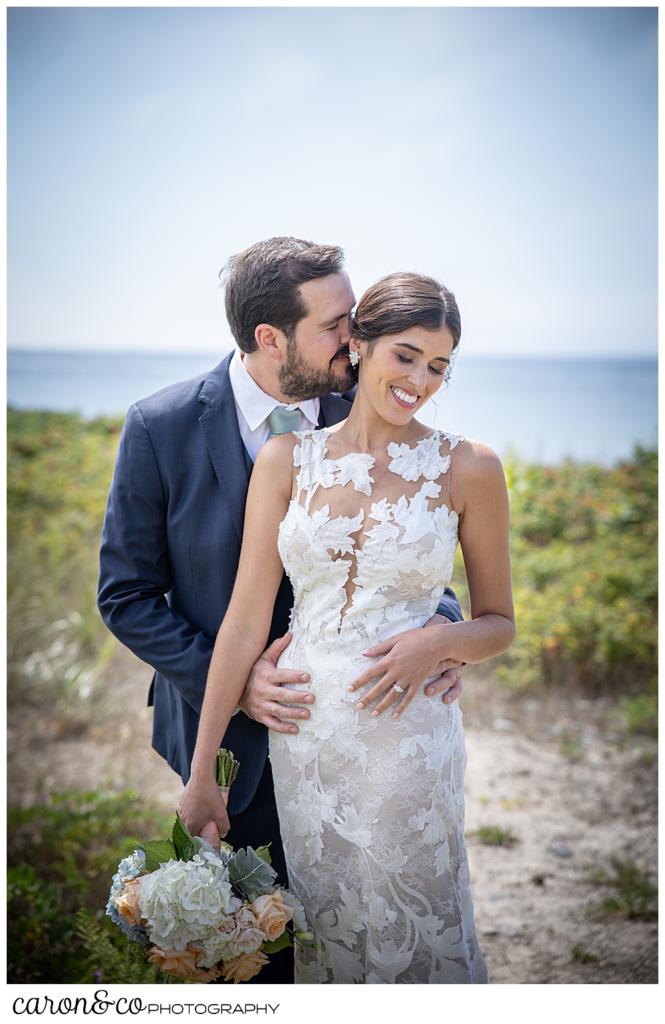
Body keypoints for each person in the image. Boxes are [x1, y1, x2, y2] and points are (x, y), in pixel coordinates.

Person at [97, 238, 465, 985]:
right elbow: (125, 595)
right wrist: (236, 685)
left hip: (369, 732)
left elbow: (416, 541)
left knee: (368, 925)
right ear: (271, 338)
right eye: (336, 324)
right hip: (227, 736)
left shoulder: (369, 401)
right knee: (255, 955)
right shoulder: (159, 426)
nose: (353, 335)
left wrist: (442, 631)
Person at [180, 271, 515, 983]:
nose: (419, 380)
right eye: (406, 355)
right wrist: (202, 769)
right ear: (358, 344)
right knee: (329, 931)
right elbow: (243, 622)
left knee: (419, 923)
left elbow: (498, 624)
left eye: (437, 367)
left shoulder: (470, 466)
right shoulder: (285, 460)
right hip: (306, 739)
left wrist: (439, 641)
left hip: (409, 734)